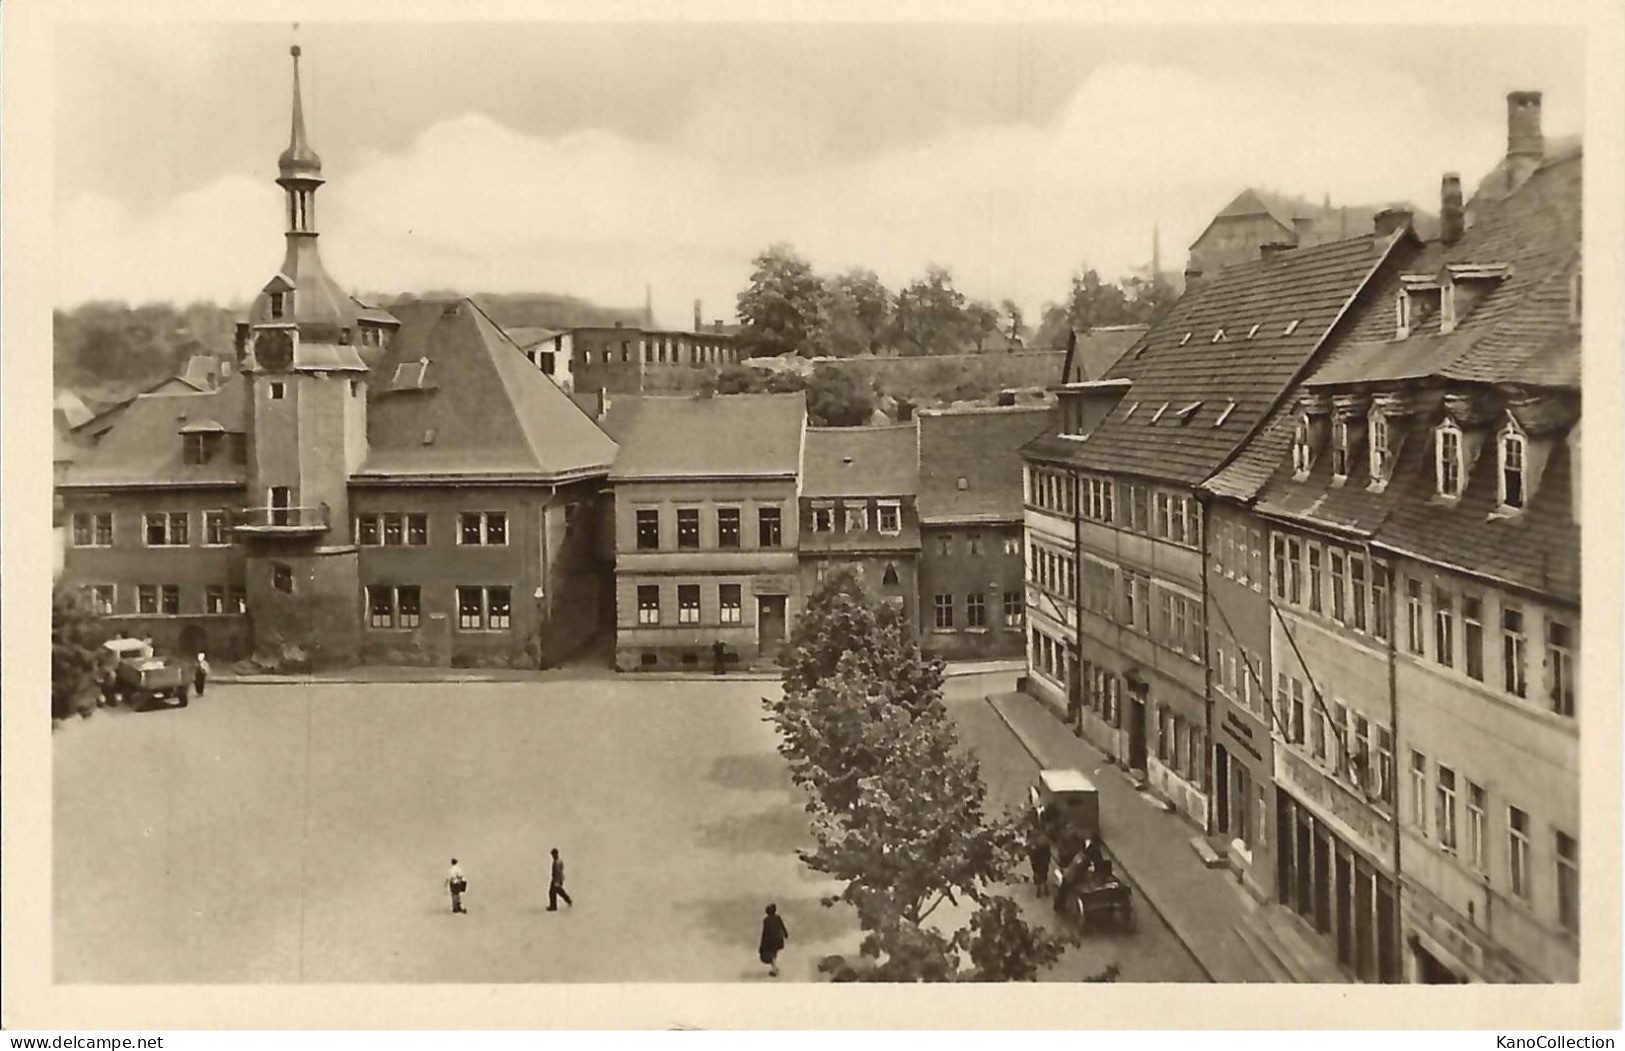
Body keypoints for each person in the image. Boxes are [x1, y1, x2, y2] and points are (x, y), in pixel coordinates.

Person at [1025, 809, 1052, 898]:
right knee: (1041, 866)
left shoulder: (1030, 827)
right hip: (1041, 847)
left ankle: (1041, 883)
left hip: (1038, 848)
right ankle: (1043, 883)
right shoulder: (1039, 822)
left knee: (1039, 865)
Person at [758, 903, 789, 977]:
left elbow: (765, 932)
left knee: (772, 954)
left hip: (770, 940)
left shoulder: (766, 920)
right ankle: (774, 968)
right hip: (778, 939)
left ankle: (774, 970)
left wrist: (762, 944)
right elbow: (782, 926)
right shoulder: (778, 917)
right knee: (774, 954)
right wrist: (786, 934)